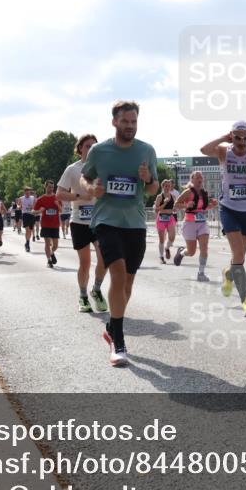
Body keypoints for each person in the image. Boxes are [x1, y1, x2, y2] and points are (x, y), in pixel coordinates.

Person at [80, 100, 159, 366]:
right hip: (106, 221)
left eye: (134, 122)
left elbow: (153, 190)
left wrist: (148, 178)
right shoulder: (100, 151)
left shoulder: (146, 151)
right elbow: (85, 177)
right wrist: (91, 189)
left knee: (127, 283)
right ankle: (119, 341)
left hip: (134, 223)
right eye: (125, 121)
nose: (130, 126)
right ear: (114, 121)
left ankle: (111, 328)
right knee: (116, 272)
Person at [201, 121, 246, 316]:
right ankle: (245, 301)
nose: (241, 142)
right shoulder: (224, 151)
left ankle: (228, 273)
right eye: (237, 137)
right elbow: (204, 149)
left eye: (245, 137)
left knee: (240, 258)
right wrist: (224, 138)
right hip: (228, 208)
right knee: (239, 256)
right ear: (232, 136)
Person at [57, 133, 109, 313]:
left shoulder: (103, 167)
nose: (91, 149)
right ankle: (83, 296)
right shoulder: (72, 169)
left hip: (100, 221)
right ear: (80, 149)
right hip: (79, 221)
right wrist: (79, 196)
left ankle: (96, 289)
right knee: (85, 263)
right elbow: (60, 194)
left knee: (104, 258)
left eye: (95, 146)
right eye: (88, 146)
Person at [172, 171, 218, 282]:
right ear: (192, 180)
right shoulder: (188, 192)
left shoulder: (204, 193)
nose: (200, 179)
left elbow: (203, 209)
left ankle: (201, 273)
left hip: (202, 223)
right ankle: (182, 252)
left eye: (201, 177)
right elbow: (176, 205)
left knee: (204, 247)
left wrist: (212, 205)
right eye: (197, 177)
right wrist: (186, 205)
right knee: (191, 252)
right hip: (189, 224)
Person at [36, 180, 61, 268]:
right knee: (47, 243)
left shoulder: (57, 197)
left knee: (55, 245)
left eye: (52, 187)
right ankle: (48, 260)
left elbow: (61, 210)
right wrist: (39, 211)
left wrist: (58, 205)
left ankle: (51, 253)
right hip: (45, 224)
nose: (51, 189)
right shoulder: (41, 199)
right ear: (45, 187)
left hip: (55, 225)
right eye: (49, 187)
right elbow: (33, 211)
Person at [153, 179, 179, 263]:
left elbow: (175, 208)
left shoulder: (173, 196)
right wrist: (164, 203)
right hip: (161, 218)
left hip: (170, 217)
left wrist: (175, 209)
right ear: (163, 186)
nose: (168, 187)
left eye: (169, 186)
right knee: (161, 239)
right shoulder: (159, 197)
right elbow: (156, 210)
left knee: (172, 237)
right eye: (166, 186)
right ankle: (161, 256)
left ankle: (167, 248)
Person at [20, 187, 37, 252]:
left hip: (31, 215)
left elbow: (35, 206)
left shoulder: (33, 198)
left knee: (30, 230)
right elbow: (19, 205)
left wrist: (33, 206)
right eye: (26, 192)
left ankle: (27, 241)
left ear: (30, 192)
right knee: (27, 230)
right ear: (24, 192)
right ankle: (27, 244)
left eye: (29, 192)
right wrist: (19, 207)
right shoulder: (21, 198)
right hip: (25, 215)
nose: (27, 194)